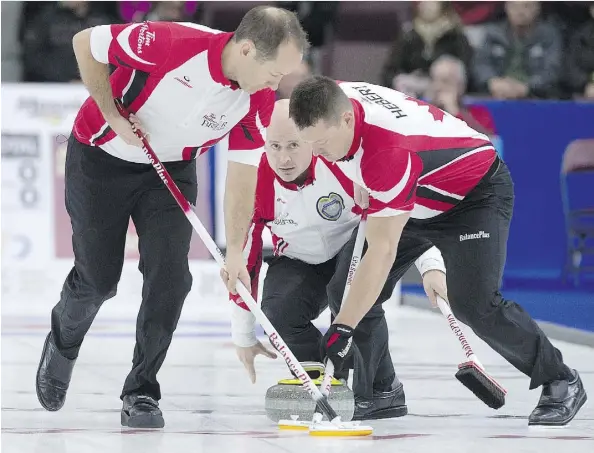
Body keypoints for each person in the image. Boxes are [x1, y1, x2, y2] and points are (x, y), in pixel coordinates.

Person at [35, 6, 308, 429]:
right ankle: (63, 342)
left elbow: (242, 175)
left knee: (171, 279)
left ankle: (142, 389)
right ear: (249, 50)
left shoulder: (257, 97)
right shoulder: (170, 42)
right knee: (99, 280)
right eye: (275, 74)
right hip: (101, 158)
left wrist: (236, 250)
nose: (277, 86)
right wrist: (111, 112)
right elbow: (85, 43)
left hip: (170, 171)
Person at [288, 76, 587, 427]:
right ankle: (382, 390)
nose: (318, 153)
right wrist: (356, 176)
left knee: (474, 305)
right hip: (414, 193)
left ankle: (560, 379)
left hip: (473, 196)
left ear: (347, 120)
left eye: (322, 144)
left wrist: (342, 329)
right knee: (345, 291)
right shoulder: (332, 96)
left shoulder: (387, 152)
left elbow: (382, 251)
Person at [229, 100, 447, 420]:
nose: (284, 158)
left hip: (351, 248)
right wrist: (244, 337)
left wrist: (431, 266)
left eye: (293, 145)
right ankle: (325, 379)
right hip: (297, 260)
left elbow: (400, 214)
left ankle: (382, 388)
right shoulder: (255, 182)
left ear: (310, 140)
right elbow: (244, 266)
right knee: (278, 310)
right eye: (274, 146)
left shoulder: (343, 165)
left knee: (349, 297)